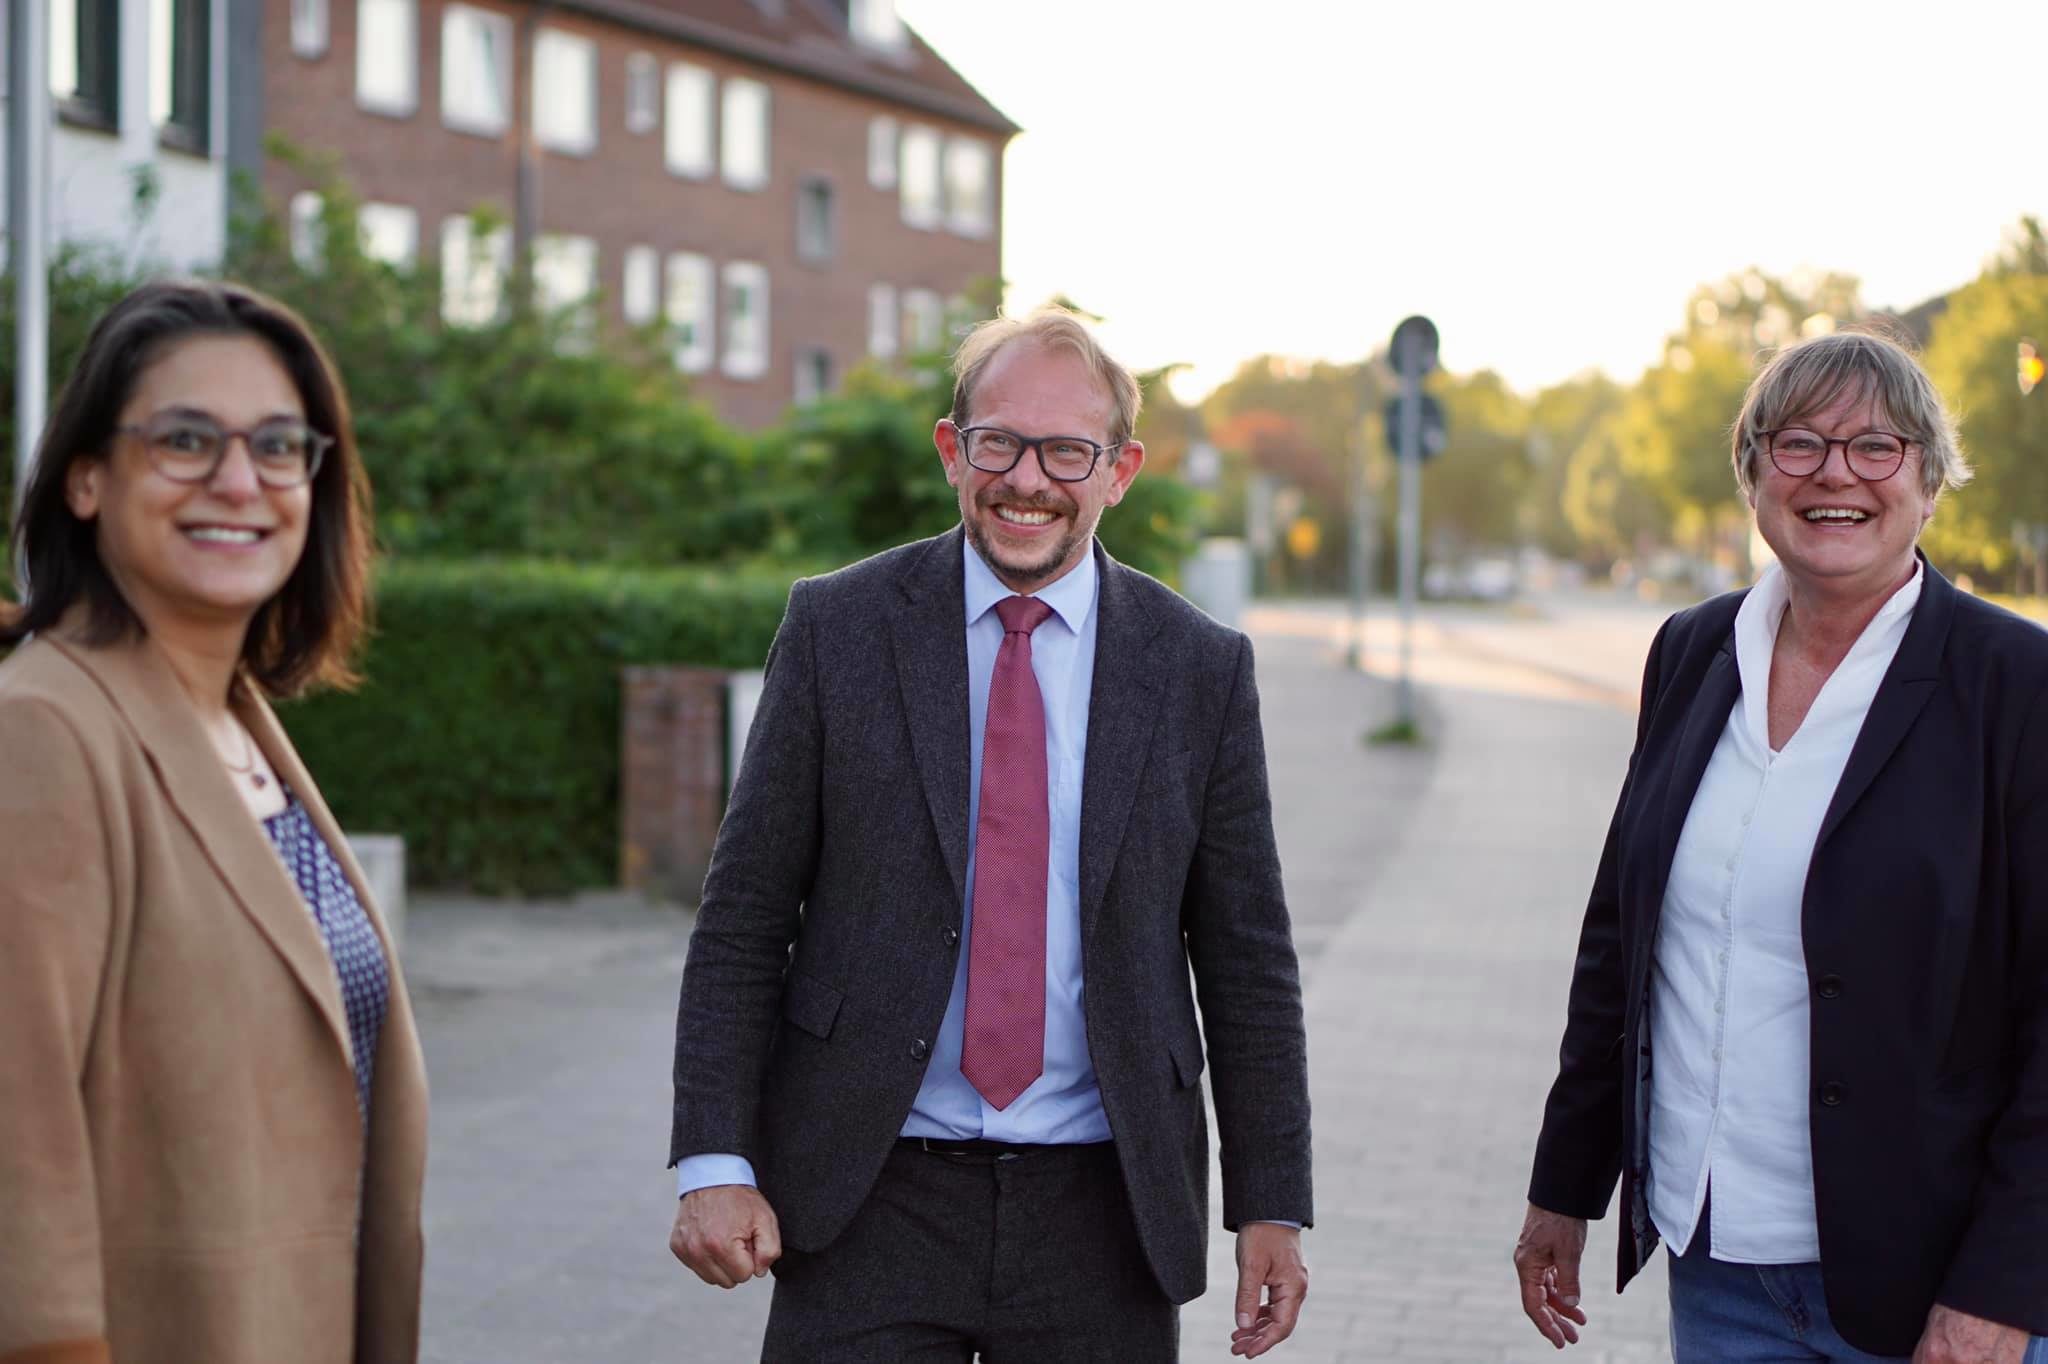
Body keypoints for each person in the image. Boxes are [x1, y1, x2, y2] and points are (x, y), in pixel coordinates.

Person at [666, 307, 1313, 1361]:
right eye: (998, 442)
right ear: (950, 450)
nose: (1027, 480)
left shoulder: (1198, 668)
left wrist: (1270, 1202)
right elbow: (744, 914)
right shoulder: (838, 629)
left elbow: (1247, 959)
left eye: (1067, 452)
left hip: (1105, 1211)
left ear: (1119, 470)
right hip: (865, 1194)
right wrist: (712, 1157)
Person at [1514, 328, 2048, 1363]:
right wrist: (1563, 1185)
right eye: (1797, 443)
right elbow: (1622, 940)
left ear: (1929, 481)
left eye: (1876, 446)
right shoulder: (1691, 650)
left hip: (1931, 1281)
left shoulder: (2014, 685)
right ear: (1753, 474)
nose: (1834, 473)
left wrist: (2003, 1286)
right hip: (1717, 1263)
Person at [0, 280, 428, 1363]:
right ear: (87, 477)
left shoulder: (236, 720)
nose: (240, 481)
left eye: (278, 445)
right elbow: (16, 1137)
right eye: (185, 439)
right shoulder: (41, 730)